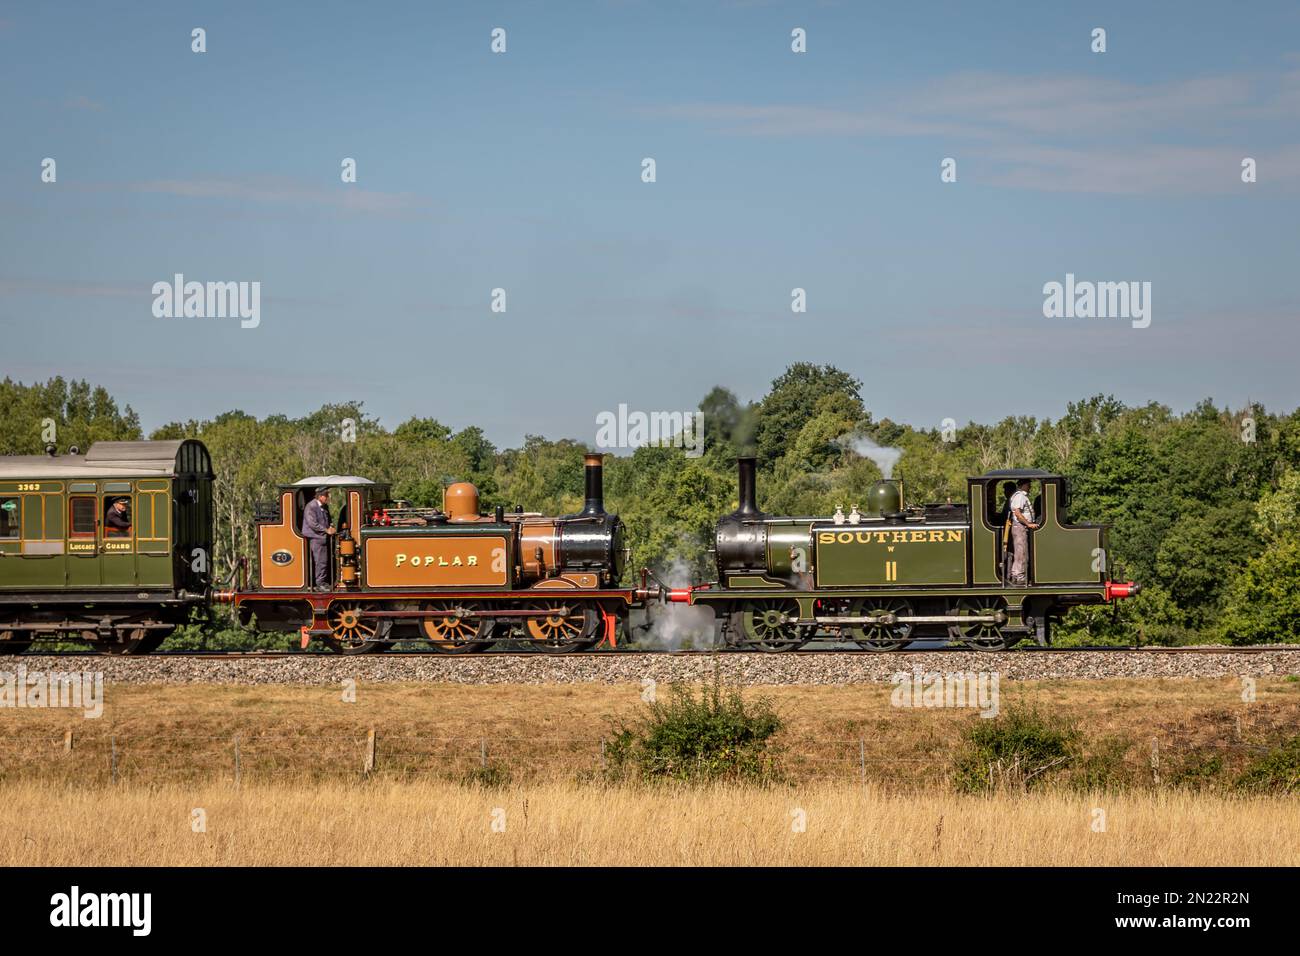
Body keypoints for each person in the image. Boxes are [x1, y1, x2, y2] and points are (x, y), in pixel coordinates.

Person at [302, 487, 336, 590]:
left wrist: (331, 527)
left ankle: (323, 582)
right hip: (316, 538)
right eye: (326, 495)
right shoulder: (311, 506)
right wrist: (326, 530)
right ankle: (320, 583)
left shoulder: (324, 507)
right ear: (320, 496)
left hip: (323, 537)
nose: (328, 498)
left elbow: (327, 520)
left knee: (324, 561)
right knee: (321, 561)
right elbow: (313, 524)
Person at [1008, 478, 1039, 586]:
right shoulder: (1020, 496)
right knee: (1021, 552)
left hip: (1021, 526)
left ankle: (1019, 575)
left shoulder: (1022, 496)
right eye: (1028, 484)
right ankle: (1018, 576)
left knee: (1022, 551)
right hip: (1020, 526)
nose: (1030, 487)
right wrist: (1028, 524)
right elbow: (1017, 513)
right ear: (1023, 485)